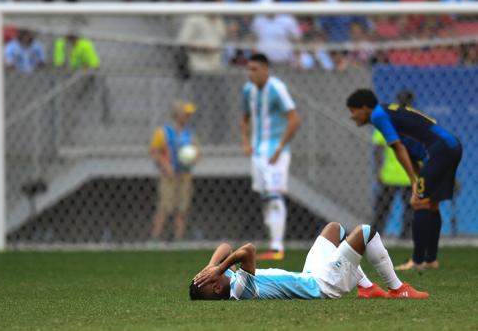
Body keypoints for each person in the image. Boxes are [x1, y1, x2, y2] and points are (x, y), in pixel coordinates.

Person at [346, 89, 462, 271]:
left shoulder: (378, 115)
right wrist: (419, 175)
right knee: (431, 204)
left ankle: (417, 261)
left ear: (365, 108)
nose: (351, 116)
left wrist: (413, 181)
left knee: (419, 203)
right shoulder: (389, 113)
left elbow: (398, 148)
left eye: (353, 110)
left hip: (439, 151)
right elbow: (411, 149)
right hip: (451, 146)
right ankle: (430, 260)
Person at [190, 222, 428, 300]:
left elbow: (225, 247)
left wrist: (212, 267)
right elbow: (247, 250)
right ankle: (398, 289)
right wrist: (219, 267)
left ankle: (365, 288)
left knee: (334, 229)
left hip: (310, 276)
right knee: (365, 232)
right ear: (216, 286)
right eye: (212, 277)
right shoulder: (240, 290)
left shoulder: (227, 279)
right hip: (323, 286)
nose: (219, 271)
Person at [240, 53, 301, 261]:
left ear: (266, 70)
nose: (250, 73)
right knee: (266, 197)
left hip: (275, 152)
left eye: (254, 69)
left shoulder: (277, 88)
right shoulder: (248, 90)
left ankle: (277, 247)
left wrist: (281, 146)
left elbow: (294, 119)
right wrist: (246, 142)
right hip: (257, 153)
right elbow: (245, 118)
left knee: (274, 196)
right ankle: (273, 243)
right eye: (248, 69)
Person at [149, 100, 200, 241]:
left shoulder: (189, 134)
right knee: (165, 206)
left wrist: (193, 157)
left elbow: (197, 152)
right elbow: (154, 152)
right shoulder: (163, 132)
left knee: (182, 208)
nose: (188, 117)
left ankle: (178, 238)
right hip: (168, 176)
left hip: (185, 175)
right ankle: (155, 237)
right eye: (185, 114)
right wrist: (165, 166)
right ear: (177, 115)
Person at [372, 90, 416, 238]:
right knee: (410, 209)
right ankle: (405, 237)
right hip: (409, 174)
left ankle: (375, 236)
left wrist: (378, 170)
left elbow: (378, 149)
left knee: (382, 209)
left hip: (390, 174)